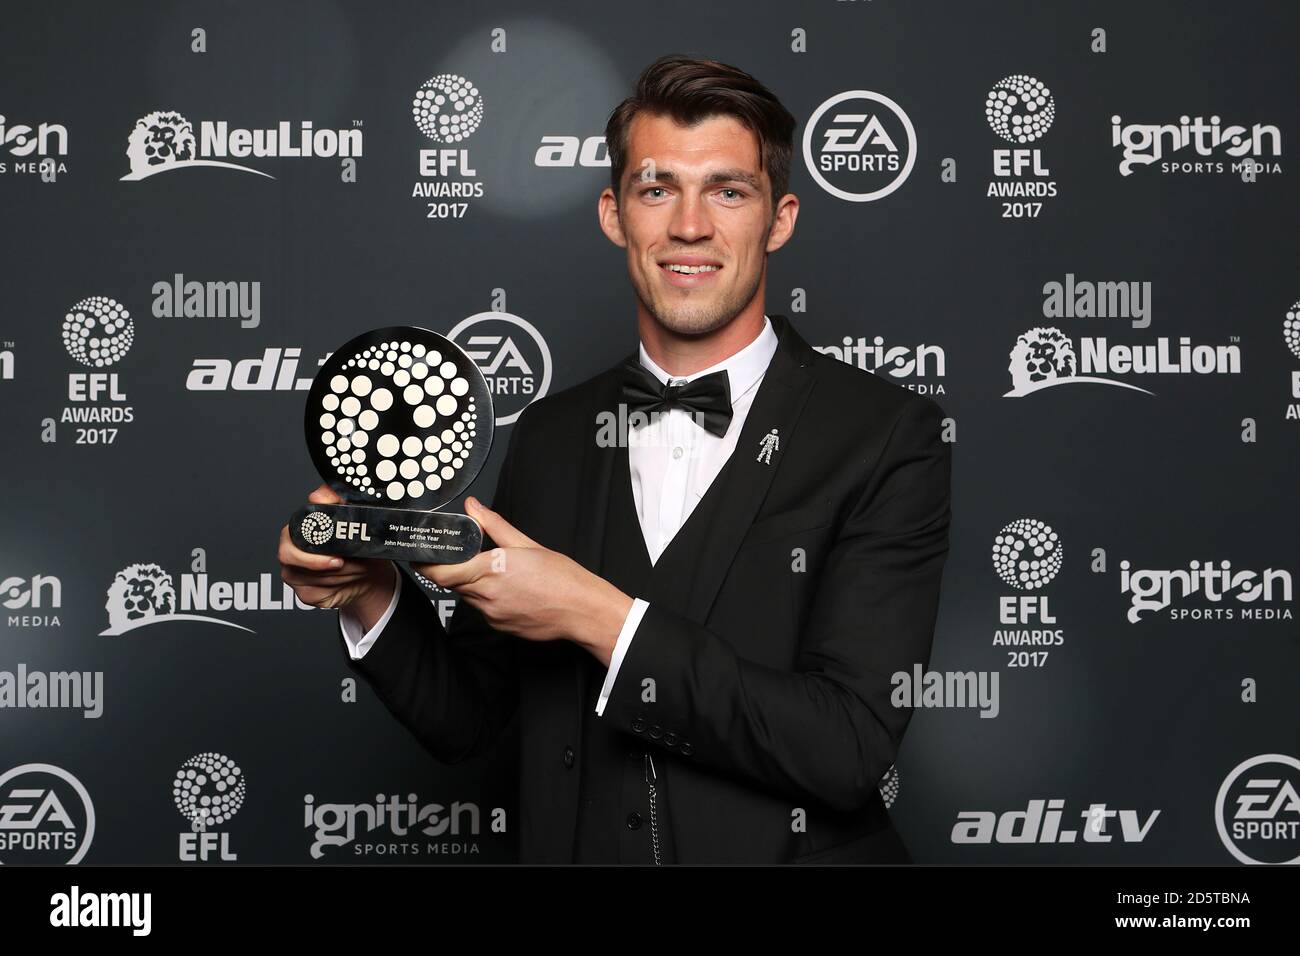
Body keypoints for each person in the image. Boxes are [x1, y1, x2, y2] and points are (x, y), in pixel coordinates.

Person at [278, 54, 951, 864]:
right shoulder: (552, 436)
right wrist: (371, 593)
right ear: (614, 212)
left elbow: (847, 749)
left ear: (779, 219)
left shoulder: (885, 435)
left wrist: (597, 617)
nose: (690, 226)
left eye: (728, 191)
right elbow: (473, 720)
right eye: (657, 188)